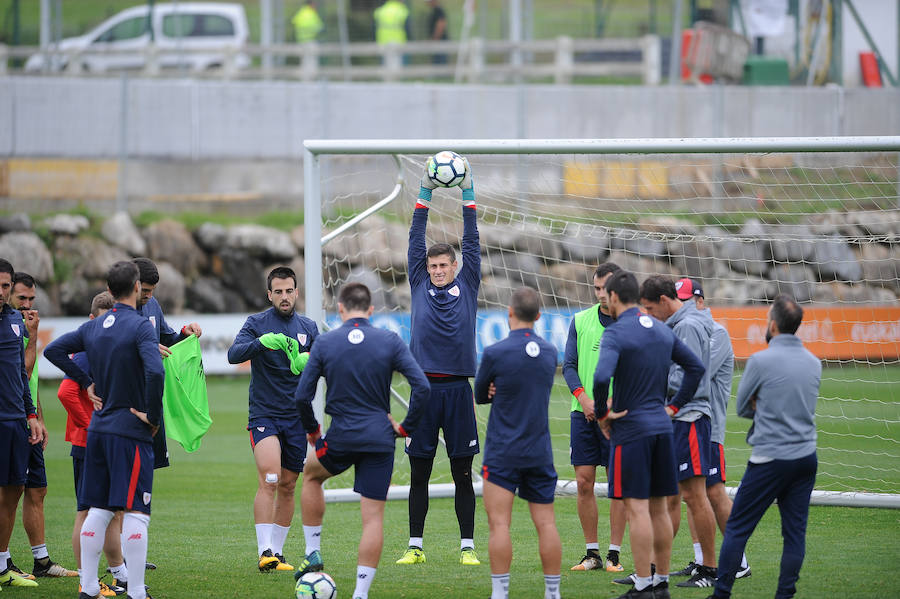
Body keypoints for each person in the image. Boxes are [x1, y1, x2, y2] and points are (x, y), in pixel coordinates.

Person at [293, 282, 430, 599]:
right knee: (372, 519)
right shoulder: (389, 340)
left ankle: (313, 550)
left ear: (340, 308)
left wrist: (314, 433)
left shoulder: (326, 342)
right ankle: (361, 593)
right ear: (370, 311)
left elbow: (302, 396)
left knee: (311, 476)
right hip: (380, 438)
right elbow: (421, 387)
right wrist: (405, 428)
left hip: (340, 435)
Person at [44, 260, 165, 599]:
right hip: (130, 430)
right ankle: (137, 592)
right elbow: (156, 373)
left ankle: (87, 588)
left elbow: (53, 349)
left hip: (97, 431)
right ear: (138, 287)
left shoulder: (94, 327)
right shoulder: (140, 326)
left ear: (110, 291)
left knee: (97, 510)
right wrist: (152, 417)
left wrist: (86, 382)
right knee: (136, 513)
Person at [593, 270, 706, 599]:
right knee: (659, 509)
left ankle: (642, 584)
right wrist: (673, 407)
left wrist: (602, 413)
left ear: (614, 297)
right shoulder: (660, 330)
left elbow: (601, 376)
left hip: (632, 431)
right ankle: (662, 584)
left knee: (638, 509)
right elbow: (696, 368)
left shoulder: (616, 332)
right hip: (662, 428)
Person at [705, 294, 821, 599]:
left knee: (738, 528)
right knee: (794, 535)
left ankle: (721, 594)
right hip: (806, 457)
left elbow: (742, 406)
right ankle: (785, 595)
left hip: (770, 457)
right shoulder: (814, 362)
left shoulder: (760, 360)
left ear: (772, 324)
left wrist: (766, 407)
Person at [396, 155, 481, 566]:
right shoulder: (417, 280)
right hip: (424, 391)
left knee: (463, 473)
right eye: (432, 265)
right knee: (419, 472)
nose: (437, 270)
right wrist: (425, 192)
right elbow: (416, 236)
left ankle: (467, 547)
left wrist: (467, 194)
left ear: (455, 267)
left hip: (458, 392)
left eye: (443, 265)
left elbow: (472, 238)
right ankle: (415, 546)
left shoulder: (468, 280)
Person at [227, 266, 319, 572]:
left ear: (296, 292)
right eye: (277, 292)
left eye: (288, 291)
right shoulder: (256, 323)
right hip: (264, 414)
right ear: (269, 294)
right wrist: (261, 343)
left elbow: (324, 365)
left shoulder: (308, 326)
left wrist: (310, 363)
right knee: (270, 477)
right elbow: (233, 355)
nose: (284, 296)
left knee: (289, 486)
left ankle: (277, 554)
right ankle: (264, 550)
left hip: (297, 417)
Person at [474, 286, 562, 599]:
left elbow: (480, 395)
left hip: (502, 450)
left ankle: (501, 594)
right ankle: (553, 593)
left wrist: (493, 390)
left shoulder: (494, 352)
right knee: (547, 524)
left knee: (499, 525)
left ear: (509, 313)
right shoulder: (550, 352)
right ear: (538, 317)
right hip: (539, 449)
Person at [638, 274, 719, 588]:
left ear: (663, 301)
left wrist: (653, 387)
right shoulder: (677, 325)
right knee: (674, 497)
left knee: (696, 496)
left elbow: (690, 375)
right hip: (678, 419)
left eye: (649, 308)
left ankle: (710, 568)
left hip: (690, 417)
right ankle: (656, 567)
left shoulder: (686, 326)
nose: (647, 315)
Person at [672, 279, 750, 580]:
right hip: (695, 423)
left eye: (686, 300)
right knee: (693, 492)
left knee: (714, 493)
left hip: (708, 426)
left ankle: (739, 560)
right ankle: (701, 559)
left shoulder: (715, 333)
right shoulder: (688, 330)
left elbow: (694, 371)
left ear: (700, 301)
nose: (682, 306)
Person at [56, 291, 129, 597]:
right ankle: (87, 579)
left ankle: (120, 574)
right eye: (103, 319)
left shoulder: (104, 347)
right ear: (92, 320)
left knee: (113, 511)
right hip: (89, 444)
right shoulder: (88, 350)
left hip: (104, 442)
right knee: (87, 513)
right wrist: (92, 425)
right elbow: (65, 392)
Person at [7, 272, 77, 580]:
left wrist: (39, 417)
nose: (27, 304)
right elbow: (23, 368)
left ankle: (41, 560)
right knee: (10, 491)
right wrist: (32, 337)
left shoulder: (19, 324)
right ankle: (4, 561)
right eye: (21, 298)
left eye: (31, 299)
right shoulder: (11, 327)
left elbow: (28, 381)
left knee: (38, 489)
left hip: (28, 417)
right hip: (9, 418)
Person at [563, 262, 627, 573]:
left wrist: (614, 401)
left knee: (619, 485)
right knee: (584, 483)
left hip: (619, 417)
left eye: (606, 288)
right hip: (583, 415)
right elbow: (569, 366)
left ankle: (615, 555)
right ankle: (592, 553)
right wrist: (584, 398)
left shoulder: (630, 323)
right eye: (597, 288)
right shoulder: (580, 320)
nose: (601, 294)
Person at [0, 258, 41, 589]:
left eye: (4, 286)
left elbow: (18, 373)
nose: (1, 292)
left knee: (13, 490)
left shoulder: (15, 322)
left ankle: (2, 566)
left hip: (15, 420)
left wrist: (31, 414)